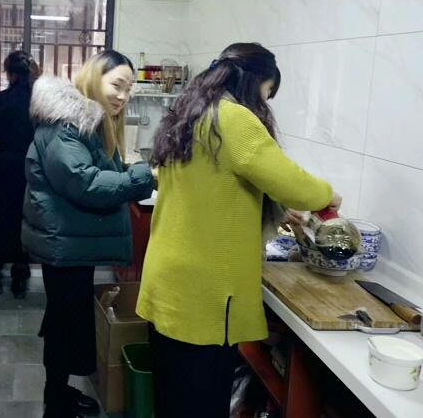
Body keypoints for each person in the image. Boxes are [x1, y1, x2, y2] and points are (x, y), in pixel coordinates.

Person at [136, 43, 342, 418]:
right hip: (203, 294)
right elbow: (292, 183)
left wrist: (274, 211)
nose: (265, 104)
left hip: (170, 281)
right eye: (267, 93)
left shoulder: (191, 113)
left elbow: (213, 189)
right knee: (201, 406)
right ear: (253, 82)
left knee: (171, 398)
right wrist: (327, 196)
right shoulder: (234, 118)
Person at [22, 51, 155, 418]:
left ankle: (60, 393)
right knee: (63, 324)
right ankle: (56, 404)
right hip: (63, 244)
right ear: (95, 78)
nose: (123, 96)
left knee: (65, 321)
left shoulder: (83, 123)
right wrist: (142, 175)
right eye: (117, 85)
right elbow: (86, 183)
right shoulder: (65, 125)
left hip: (70, 241)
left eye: (129, 89)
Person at [0, 50, 40, 298]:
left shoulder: (3, 99)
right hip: (33, 170)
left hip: (7, 169)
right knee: (26, 221)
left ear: (10, 74)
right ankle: (20, 278)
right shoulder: (39, 102)